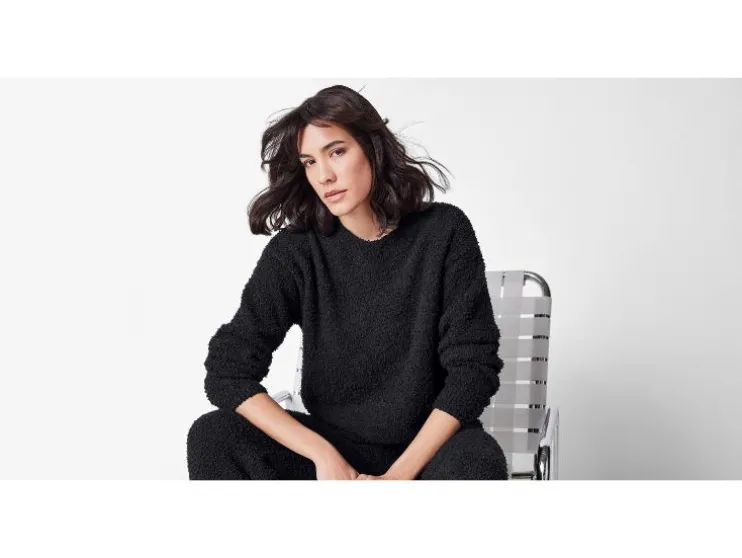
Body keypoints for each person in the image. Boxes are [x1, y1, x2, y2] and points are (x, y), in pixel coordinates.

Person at [187, 84, 509, 480]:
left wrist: (397, 478)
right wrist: (324, 456)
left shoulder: (444, 231)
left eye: (337, 152)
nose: (324, 176)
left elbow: (473, 371)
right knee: (214, 435)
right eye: (309, 162)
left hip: (431, 450)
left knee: (478, 462)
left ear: (372, 148)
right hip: (337, 447)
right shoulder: (296, 252)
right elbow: (228, 370)